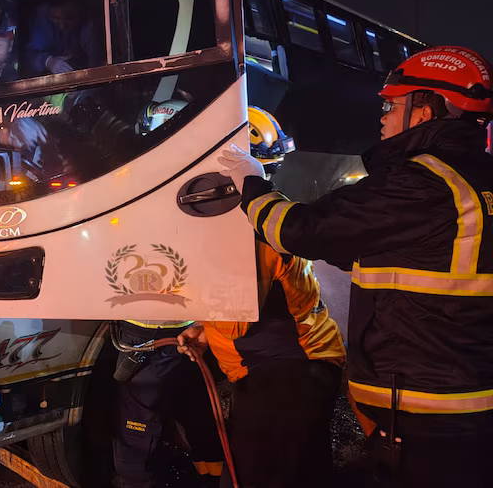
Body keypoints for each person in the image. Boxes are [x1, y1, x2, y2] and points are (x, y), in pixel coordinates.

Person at [217, 47, 493, 488]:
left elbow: (300, 229)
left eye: (391, 105)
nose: (382, 117)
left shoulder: (421, 180)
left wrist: (251, 185)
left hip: (426, 407)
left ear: (426, 111)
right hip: (465, 400)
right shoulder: (474, 179)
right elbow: (382, 249)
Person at [177, 107, 346, 488]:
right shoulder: (266, 214)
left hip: (286, 373)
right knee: (302, 472)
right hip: (302, 368)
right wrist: (204, 329)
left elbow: (235, 313)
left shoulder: (241, 229)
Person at [111, 318, 225, 488]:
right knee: (196, 408)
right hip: (189, 330)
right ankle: (212, 478)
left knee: (136, 434)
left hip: (147, 334)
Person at [26, 0, 103, 77]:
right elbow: (30, 55)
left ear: (79, 13)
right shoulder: (43, 19)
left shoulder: (88, 27)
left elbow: (97, 68)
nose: (62, 26)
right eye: (56, 18)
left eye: (68, 19)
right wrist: (48, 61)